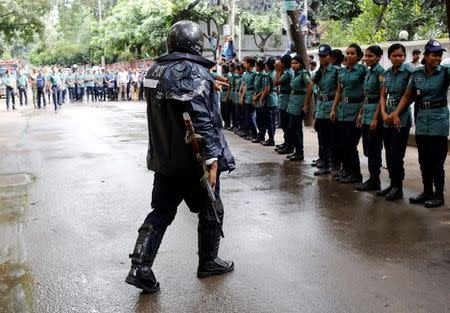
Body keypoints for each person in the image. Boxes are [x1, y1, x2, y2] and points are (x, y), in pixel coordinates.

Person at [125, 20, 235, 294]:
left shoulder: (154, 71)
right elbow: (200, 118)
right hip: (193, 161)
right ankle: (208, 261)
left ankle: (139, 266)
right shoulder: (194, 72)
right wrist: (212, 160)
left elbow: (174, 92)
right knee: (211, 209)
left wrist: (207, 80)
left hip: (165, 160)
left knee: (161, 212)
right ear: (197, 44)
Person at [395, 40, 449, 208]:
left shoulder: (445, 72)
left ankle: (438, 195)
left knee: (436, 161)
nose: (437, 58)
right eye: (434, 55)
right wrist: (396, 113)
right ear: (426, 56)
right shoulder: (417, 74)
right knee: (424, 159)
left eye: (440, 55)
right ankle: (427, 191)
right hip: (422, 119)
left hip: (439, 121)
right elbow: (407, 96)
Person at [377, 43, 413, 201]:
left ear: (405, 56)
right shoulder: (386, 73)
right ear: (389, 57)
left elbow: (409, 96)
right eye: (395, 55)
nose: (398, 58)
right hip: (387, 118)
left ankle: (398, 187)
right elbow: (383, 96)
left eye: (401, 55)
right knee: (388, 152)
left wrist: (396, 113)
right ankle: (392, 184)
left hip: (401, 118)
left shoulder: (410, 72)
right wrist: (384, 113)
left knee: (396, 154)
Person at [330, 43, 367, 183]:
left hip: (355, 109)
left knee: (351, 144)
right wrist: (334, 109)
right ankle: (346, 170)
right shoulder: (342, 72)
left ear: (358, 56)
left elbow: (366, 92)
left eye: (353, 53)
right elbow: (339, 91)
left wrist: (361, 112)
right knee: (342, 143)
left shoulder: (363, 71)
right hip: (343, 110)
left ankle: (356, 174)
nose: (349, 56)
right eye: (348, 53)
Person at [355, 46, 385, 191]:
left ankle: (375, 180)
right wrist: (361, 112)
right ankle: (372, 179)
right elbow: (366, 95)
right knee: (367, 149)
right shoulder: (369, 72)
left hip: (375, 114)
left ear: (379, 57)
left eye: (370, 56)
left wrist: (375, 118)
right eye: (366, 56)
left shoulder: (380, 73)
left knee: (374, 149)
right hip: (366, 112)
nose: (366, 58)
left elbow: (382, 97)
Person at [312, 44, 339, 175]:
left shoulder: (336, 71)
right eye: (320, 56)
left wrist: (334, 109)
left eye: (324, 56)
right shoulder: (319, 72)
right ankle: (325, 162)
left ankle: (332, 164)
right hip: (321, 107)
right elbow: (316, 89)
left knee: (331, 138)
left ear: (330, 56)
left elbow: (340, 91)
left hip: (331, 107)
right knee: (322, 137)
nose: (322, 58)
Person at [286, 55, 313, 161]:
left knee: (296, 128)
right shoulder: (295, 74)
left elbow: (309, 87)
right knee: (292, 128)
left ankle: (299, 152)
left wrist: (306, 104)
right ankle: (296, 150)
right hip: (293, 102)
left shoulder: (304, 73)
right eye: (292, 63)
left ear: (301, 64)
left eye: (295, 63)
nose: (293, 65)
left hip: (299, 103)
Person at [274, 54, 294, 155]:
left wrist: (277, 71)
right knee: (285, 124)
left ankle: (289, 145)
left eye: (281, 63)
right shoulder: (286, 72)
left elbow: (276, 82)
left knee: (286, 125)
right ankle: (287, 143)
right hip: (284, 99)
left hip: (286, 100)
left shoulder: (287, 73)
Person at [259, 58, 278, 146]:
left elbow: (266, 90)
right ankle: (272, 137)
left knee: (269, 121)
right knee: (273, 120)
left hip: (269, 99)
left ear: (268, 65)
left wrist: (261, 99)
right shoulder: (276, 73)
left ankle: (271, 139)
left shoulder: (268, 75)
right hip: (274, 98)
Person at [241, 57, 258, 140]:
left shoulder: (255, 73)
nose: (245, 64)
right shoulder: (247, 73)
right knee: (247, 116)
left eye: (246, 63)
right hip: (247, 95)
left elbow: (256, 86)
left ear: (250, 64)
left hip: (252, 95)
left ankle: (254, 134)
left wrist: (254, 97)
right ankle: (250, 133)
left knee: (251, 116)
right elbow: (245, 86)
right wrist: (242, 97)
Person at [251, 59, 265, 143]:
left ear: (259, 66)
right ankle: (260, 135)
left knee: (260, 119)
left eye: (256, 65)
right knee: (258, 119)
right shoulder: (257, 75)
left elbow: (264, 89)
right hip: (256, 98)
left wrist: (257, 97)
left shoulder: (263, 75)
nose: (255, 67)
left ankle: (261, 136)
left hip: (260, 99)